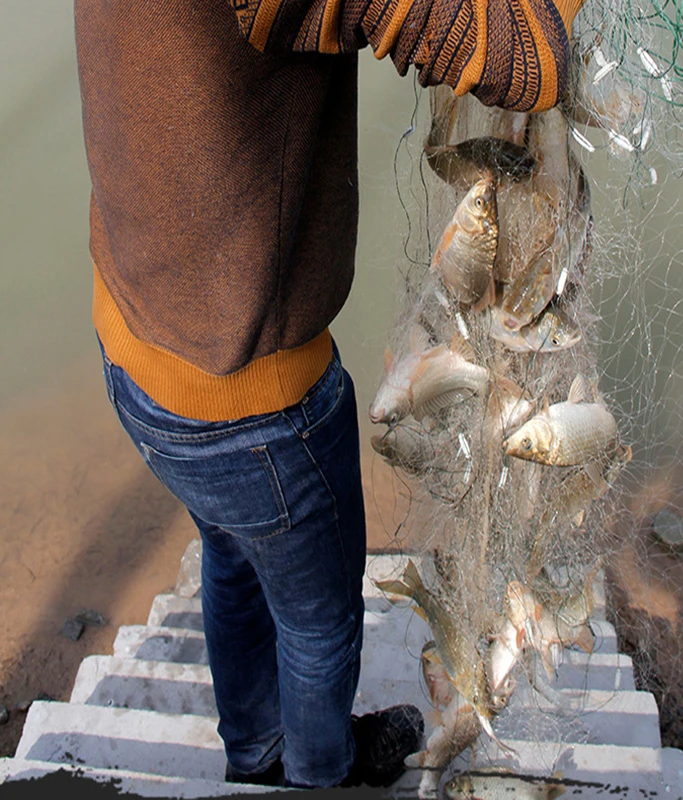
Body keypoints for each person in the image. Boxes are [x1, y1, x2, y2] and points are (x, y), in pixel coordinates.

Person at [73, 0, 585, 789]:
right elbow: (529, 59)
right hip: (257, 409)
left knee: (231, 553)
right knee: (318, 630)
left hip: (134, 341)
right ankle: (321, 772)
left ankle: (253, 751)